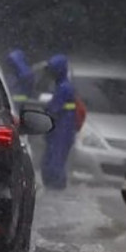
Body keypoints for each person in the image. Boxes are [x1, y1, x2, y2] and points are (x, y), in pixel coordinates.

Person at [41, 54, 76, 190]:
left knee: (55, 162)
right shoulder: (62, 86)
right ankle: (54, 186)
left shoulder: (64, 88)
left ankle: (55, 187)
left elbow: (55, 109)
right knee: (54, 160)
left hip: (61, 130)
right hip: (61, 129)